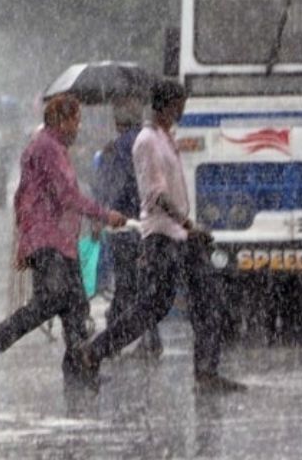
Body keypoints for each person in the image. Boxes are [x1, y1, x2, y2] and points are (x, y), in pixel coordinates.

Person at [76, 80, 244, 394]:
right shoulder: (147, 141)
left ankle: (206, 372)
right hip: (162, 236)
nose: (183, 111)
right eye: (179, 105)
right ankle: (93, 352)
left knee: (207, 300)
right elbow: (155, 194)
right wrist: (187, 223)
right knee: (151, 307)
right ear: (166, 106)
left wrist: (187, 227)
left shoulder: (166, 138)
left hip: (181, 235)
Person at [0, 94, 125, 384]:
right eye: (75, 121)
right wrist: (102, 214)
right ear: (61, 121)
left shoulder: (51, 148)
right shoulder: (47, 149)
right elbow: (65, 195)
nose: (78, 128)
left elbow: (27, 197)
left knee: (76, 304)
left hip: (60, 240)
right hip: (49, 240)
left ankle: (80, 369)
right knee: (50, 301)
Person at [93, 96, 161, 356]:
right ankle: (151, 339)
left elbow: (113, 186)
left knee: (125, 284)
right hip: (150, 222)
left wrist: (105, 213)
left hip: (125, 224)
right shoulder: (149, 142)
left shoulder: (117, 148)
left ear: (116, 121)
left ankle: (112, 341)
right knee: (146, 284)